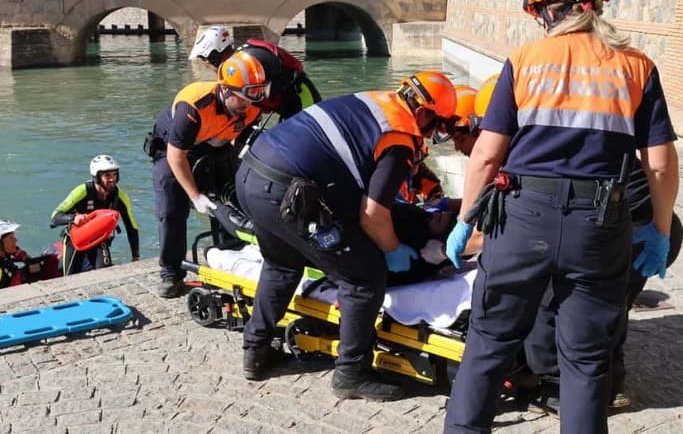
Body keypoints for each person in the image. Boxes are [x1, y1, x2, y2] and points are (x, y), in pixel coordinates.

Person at [443, 0, 679, 433]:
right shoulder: (637, 67)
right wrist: (657, 228)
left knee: (488, 344)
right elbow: (659, 162)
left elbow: (487, 156)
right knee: (587, 360)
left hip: (521, 219)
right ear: (597, 2)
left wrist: (466, 219)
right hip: (600, 225)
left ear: (546, 10)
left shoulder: (524, 61)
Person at [235, 71, 458, 400]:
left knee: (282, 263)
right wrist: (393, 249)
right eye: (436, 126)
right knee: (364, 278)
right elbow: (373, 214)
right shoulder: (400, 134)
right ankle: (352, 374)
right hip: (289, 192)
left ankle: (256, 352)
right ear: (423, 112)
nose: (432, 135)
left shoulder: (373, 102)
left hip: (250, 175)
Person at [148, 52, 268, 298]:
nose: (248, 106)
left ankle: (228, 255)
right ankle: (171, 273)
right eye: (242, 100)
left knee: (228, 200)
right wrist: (195, 196)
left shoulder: (252, 105)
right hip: (174, 149)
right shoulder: (194, 104)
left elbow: (240, 146)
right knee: (172, 209)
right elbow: (176, 157)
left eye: (252, 99)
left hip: (217, 145)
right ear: (225, 91)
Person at [189, 25, 322, 120]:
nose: (206, 66)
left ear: (214, 56)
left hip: (301, 97)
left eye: (205, 60)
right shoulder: (237, 68)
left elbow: (289, 75)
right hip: (285, 106)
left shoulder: (252, 59)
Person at [51, 155, 140, 276]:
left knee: (105, 274)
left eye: (114, 175)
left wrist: (135, 256)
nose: (112, 179)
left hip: (99, 240)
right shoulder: (82, 191)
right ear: (97, 177)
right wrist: (74, 218)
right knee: (70, 279)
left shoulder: (120, 197)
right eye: (107, 176)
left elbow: (132, 227)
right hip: (75, 240)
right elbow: (55, 217)